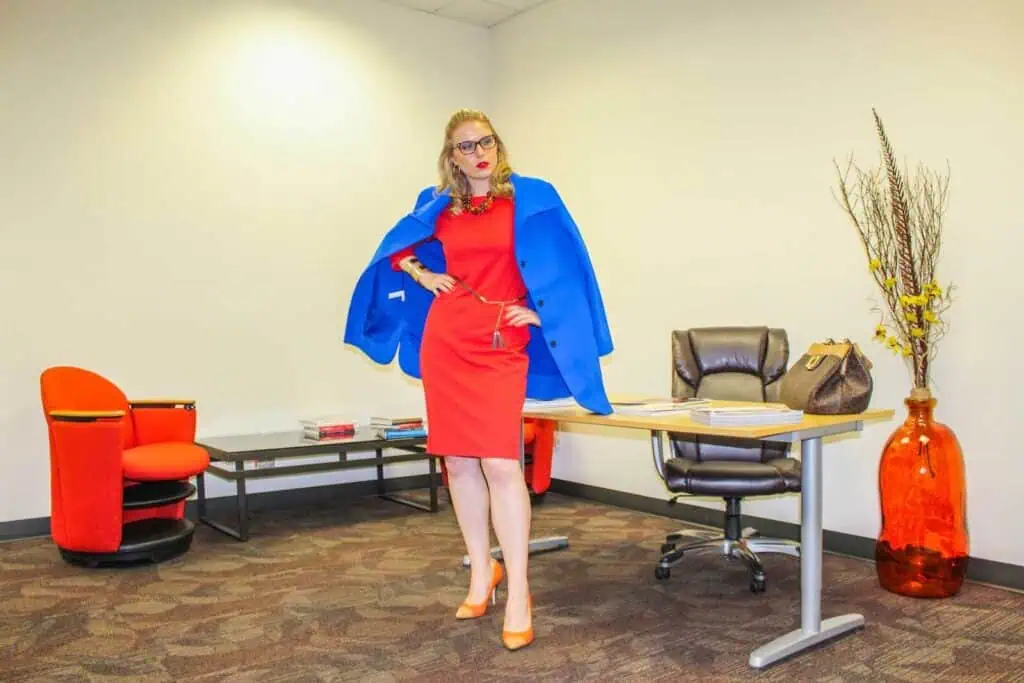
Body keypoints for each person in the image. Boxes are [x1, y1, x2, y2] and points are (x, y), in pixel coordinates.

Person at [343, 108, 613, 651]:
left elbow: (571, 266)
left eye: (485, 141)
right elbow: (394, 250)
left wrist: (546, 316)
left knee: (500, 461)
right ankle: (479, 573)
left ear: (498, 144)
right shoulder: (439, 207)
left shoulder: (531, 198)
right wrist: (422, 272)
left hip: (500, 340)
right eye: (465, 146)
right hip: (449, 336)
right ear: (452, 158)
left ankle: (519, 592)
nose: (478, 153)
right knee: (459, 460)